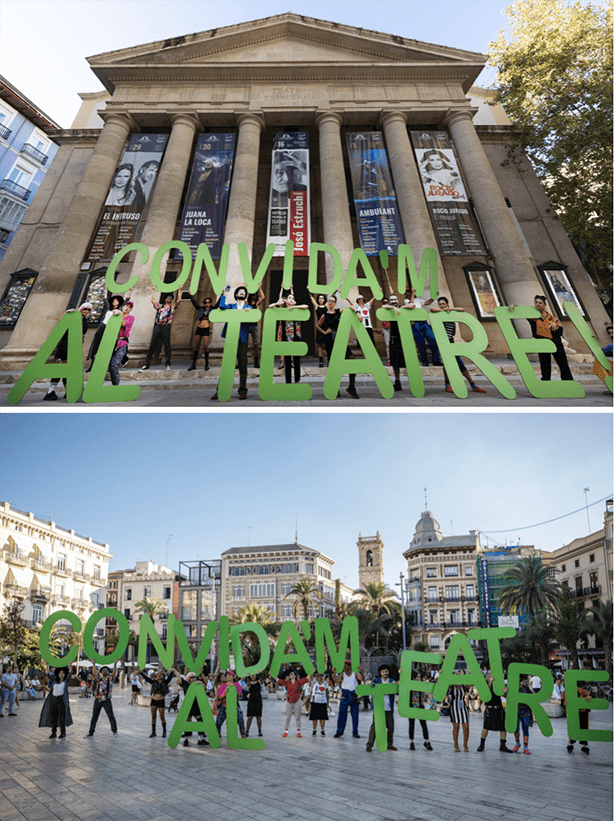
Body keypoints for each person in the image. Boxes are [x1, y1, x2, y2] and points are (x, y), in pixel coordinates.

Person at [429, 296, 487, 393]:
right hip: (443, 341)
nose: (442, 306)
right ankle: (468, 384)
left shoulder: (451, 315)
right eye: (440, 304)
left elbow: (462, 309)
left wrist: (450, 309)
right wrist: (443, 310)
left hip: (451, 341)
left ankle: (469, 385)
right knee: (452, 363)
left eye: (443, 304)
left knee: (456, 363)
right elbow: (432, 309)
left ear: (447, 304)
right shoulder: (439, 314)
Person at [514, 295, 574, 381]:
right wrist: (514, 306)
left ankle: (569, 383)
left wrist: (555, 326)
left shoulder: (550, 317)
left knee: (563, 363)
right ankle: (546, 383)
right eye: (536, 302)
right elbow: (520, 311)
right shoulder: (532, 317)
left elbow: (560, 330)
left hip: (555, 342)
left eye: (540, 303)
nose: (538, 304)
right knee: (545, 364)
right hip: (542, 342)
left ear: (545, 305)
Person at [211, 284, 254, 401]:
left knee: (243, 365)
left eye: (243, 292)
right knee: (226, 365)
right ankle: (220, 390)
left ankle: (243, 391)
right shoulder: (231, 306)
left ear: (245, 296)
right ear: (236, 295)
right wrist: (224, 294)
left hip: (242, 338)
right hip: (231, 337)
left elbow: (254, 318)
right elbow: (221, 306)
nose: (241, 293)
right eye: (239, 291)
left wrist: (249, 311)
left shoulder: (249, 307)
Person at [42, 302, 93, 400]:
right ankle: (50, 392)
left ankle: (68, 391)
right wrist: (66, 313)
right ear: (81, 308)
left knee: (67, 371)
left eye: (89, 309)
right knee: (62, 369)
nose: (86, 311)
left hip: (75, 348)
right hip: (65, 347)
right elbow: (61, 324)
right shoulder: (73, 315)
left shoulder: (84, 320)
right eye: (85, 308)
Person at [317, 295, 360, 398]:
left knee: (351, 358)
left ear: (335, 303)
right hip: (330, 340)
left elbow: (352, 306)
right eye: (329, 301)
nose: (331, 303)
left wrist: (358, 313)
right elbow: (317, 325)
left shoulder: (338, 311)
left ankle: (351, 387)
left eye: (333, 301)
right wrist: (324, 332)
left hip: (340, 339)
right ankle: (335, 388)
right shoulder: (324, 315)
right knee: (333, 364)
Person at [269, 287, 309, 384]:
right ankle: (288, 381)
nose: (291, 299)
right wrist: (278, 303)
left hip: (296, 336)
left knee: (296, 359)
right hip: (286, 336)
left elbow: (306, 306)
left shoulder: (297, 309)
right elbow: (270, 306)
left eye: (292, 298)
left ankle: (297, 380)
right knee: (287, 360)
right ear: (286, 300)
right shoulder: (282, 310)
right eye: (289, 298)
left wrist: (294, 307)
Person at [140, 291, 182, 371]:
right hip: (158, 326)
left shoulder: (172, 307)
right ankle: (146, 364)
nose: (170, 299)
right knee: (152, 344)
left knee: (167, 345)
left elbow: (179, 300)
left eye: (171, 298)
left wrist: (180, 289)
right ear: (165, 299)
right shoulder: (160, 307)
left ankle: (168, 364)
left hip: (166, 326)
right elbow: (153, 300)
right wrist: (154, 290)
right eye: (168, 298)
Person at [402, 287, 442, 367]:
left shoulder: (418, 300)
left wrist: (434, 296)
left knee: (432, 339)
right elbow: (412, 304)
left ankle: (436, 360)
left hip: (424, 322)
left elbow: (427, 302)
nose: (407, 293)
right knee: (420, 343)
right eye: (406, 292)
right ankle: (424, 361)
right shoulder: (406, 301)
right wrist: (413, 293)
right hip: (415, 323)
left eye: (408, 291)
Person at [86, 293, 125, 371]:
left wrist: (130, 292)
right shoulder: (108, 309)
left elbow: (126, 301)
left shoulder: (119, 310)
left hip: (110, 330)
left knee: (106, 349)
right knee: (95, 347)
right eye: (114, 300)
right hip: (101, 328)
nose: (114, 302)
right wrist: (106, 290)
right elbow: (105, 299)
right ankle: (91, 366)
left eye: (116, 301)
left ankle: (103, 367)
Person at [137, 666, 177, 738]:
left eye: (160, 674)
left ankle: (164, 732)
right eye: (157, 674)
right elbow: (147, 678)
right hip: (154, 700)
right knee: (153, 717)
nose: (158, 675)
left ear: (163, 676)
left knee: (162, 717)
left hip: (161, 700)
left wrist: (172, 669)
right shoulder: (154, 682)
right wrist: (141, 673)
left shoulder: (165, 682)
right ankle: (153, 732)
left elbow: (170, 677)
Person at [476, 675, 513, 752]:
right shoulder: (485, 684)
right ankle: (481, 744)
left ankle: (502, 745)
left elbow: (504, 696)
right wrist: (490, 682)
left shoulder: (498, 684)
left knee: (503, 728)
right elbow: (486, 693)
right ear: (487, 677)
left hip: (499, 708)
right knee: (486, 727)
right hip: (490, 709)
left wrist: (505, 691)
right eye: (489, 675)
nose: (491, 676)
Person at [365, 664, 397, 752]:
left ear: (388, 672)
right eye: (383, 672)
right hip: (378, 708)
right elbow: (368, 684)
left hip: (389, 708)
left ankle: (389, 744)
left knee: (391, 727)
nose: (384, 673)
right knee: (375, 727)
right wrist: (369, 683)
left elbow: (397, 692)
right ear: (380, 673)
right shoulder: (377, 680)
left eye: (386, 671)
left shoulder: (392, 681)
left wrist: (395, 685)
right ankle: (369, 745)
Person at [84, 661, 119, 738]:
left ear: (108, 672)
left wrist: (115, 664)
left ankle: (114, 731)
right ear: (101, 672)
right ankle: (91, 732)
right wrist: (93, 664)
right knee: (94, 716)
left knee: (111, 716)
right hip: (98, 700)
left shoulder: (110, 679)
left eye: (106, 670)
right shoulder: (98, 679)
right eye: (103, 670)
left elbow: (114, 673)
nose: (105, 671)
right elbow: (95, 673)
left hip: (106, 700)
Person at [38, 667, 73, 738]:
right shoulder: (54, 680)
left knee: (61, 717)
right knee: (53, 717)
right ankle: (53, 732)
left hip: (61, 700)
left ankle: (63, 732)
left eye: (63, 673)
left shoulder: (66, 681)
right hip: (53, 700)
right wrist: (46, 664)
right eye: (60, 673)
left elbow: (70, 674)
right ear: (58, 674)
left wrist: (70, 667)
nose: (61, 674)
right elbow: (48, 674)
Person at [333, 660, 364, 738]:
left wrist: (361, 671)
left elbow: (362, 679)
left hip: (353, 695)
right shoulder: (342, 674)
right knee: (341, 714)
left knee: (355, 715)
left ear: (349, 665)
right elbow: (336, 680)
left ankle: (355, 732)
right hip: (345, 695)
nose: (343, 666)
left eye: (345, 665)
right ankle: (339, 731)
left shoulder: (355, 673)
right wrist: (333, 673)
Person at [178, 671, 210, 747]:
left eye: (195, 677)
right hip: (188, 706)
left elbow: (206, 686)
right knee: (188, 723)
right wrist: (174, 670)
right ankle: (186, 739)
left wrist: (201, 683)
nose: (194, 678)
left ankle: (201, 739)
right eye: (192, 677)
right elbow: (179, 678)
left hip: (196, 705)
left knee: (200, 721)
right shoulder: (186, 684)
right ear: (188, 679)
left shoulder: (198, 684)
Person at [213, 670, 247, 738]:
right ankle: (216, 738)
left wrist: (234, 690)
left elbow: (240, 695)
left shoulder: (237, 685)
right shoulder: (223, 686)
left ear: (233, 677)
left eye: (230, 675)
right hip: (224, 706)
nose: (228, 677)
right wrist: (224, 693)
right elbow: (218, 697)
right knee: (218, 723)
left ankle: (243, 737)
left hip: (233, 706)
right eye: (227, 676)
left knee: (241, 721)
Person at [108, 301, 134, 385]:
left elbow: (123, 324)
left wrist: (120, 314)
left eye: (129, 307)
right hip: (110, 342)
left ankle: (116, 386)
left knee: (114, 365)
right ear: (122, 306)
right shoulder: (114, 315)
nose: (127, 308)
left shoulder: (130, 318)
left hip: (122, 343)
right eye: (126, 306)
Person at [187, 294, 215, 371]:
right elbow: (195, 303)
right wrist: (191, 296)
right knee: (196, 346)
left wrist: (223, 294)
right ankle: (193, 364)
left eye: (208, 302)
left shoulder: (212, 309)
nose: (207, 304)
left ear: (211, 303)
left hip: (206, 329)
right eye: (205, 302)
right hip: (199, 328)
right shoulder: (201, 309)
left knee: (205, 346)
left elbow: (218, 305)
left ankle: (206, 364)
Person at [279, 668, 309, 737]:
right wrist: (272, 676)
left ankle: (298, 731)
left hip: (297, 701)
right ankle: (286, 731)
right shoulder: (287, 682)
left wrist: (311, 673)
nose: (290, 675)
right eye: (290, 674)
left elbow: (306, 679)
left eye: (291, 674)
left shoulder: (298, 682)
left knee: (297, 717)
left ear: (295, 676)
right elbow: (279, 680)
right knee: (288, 717)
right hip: (288, 701)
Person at [408, 674, 434, 751]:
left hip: (421, 706)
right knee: (411, 725)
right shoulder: (409, 685)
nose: (419, 678)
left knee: (423, 724)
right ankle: (411, 742)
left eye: (420, 677)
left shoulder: (422, 685)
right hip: (412, 707)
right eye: (417, 677)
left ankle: (427, 741)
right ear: (413, 678)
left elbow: (429, 691)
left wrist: (427, 684)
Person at [564, 682, 591, 755]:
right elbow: (562, 701)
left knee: (584, 728)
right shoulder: (565, 692)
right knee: (572, 728)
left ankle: (583, 746)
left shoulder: (581, 691)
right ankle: (571, 744)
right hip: (572, 712)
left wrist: (589, 697)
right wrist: (564, 703)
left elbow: (591, 695)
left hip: (583, 712)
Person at [445, 681, 470, 752]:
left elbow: (473, 682)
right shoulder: (451, 686)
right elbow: (443, 682)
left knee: (466, 726)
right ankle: (456, 744)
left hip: (463, 707)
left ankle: (465, 744)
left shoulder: (463, 685)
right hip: (454, 707)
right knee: (456, 727)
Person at [246, 286, 265, 368]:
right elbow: (241, 299)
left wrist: (260, 288)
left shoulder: (257, 303)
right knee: (243, 343)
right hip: (246, 324)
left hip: (254, 325)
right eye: (253, 294)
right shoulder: (247, 303)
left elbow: (263, 297)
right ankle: (241, 362)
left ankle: (256, 361)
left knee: (255, 344)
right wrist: (245, 288)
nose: (254, 295)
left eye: (255, 294)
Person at [512, 679, 533, 754]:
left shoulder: (525, 688)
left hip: (525, 711)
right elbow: (506, 696)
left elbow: (532, 696)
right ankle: (517, 743)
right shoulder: (511, 688)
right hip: (515, 712)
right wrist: (504, 692)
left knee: (525, 729)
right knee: (516, 729)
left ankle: (525, 747)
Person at [308, 672, 331, 736]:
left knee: (322, 718)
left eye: (321, 676)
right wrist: (311, 672)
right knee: (315, 718)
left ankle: (322, 730)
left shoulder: (325, 683)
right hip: (315, 702)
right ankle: (314, 730)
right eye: (318, 676)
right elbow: (309, 681)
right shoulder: (314, 682)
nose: (319, 677)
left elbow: (327, 692)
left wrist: (328, 701)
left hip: (323, 702)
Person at [309, 293, 328, 367]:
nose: (321, 299)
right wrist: (309, 291)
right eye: (320, 298)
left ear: (324, 299)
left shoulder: (326, 305)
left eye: (322, 298)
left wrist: (335, 291)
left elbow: (332, 298)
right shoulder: (316, 306)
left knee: (327, 345)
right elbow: (312, 299)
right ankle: (321, 362)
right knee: (320, 345)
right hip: (319, 327)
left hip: (326, 326)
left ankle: (328, 361)